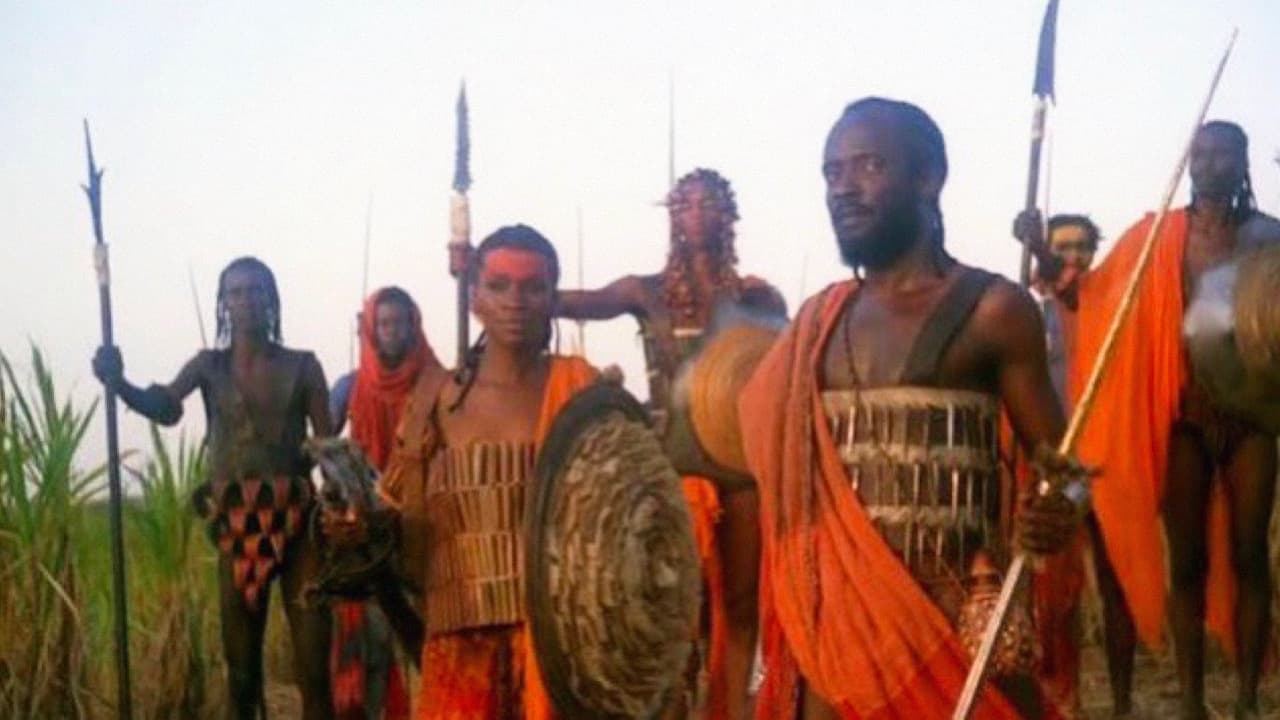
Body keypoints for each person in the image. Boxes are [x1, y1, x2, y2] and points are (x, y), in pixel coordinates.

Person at [736, 97, 1085, 719]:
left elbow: (1071, 473)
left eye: (868, 166)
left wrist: (1055, 511)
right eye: (832, 172)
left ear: (928, 177)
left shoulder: (993, 310)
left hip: (947, 633)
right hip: (832, 638)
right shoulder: (817, 323)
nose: (843, 188)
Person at [1024, 120, 1280, 719]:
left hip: (1253, 416)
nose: (1211, 163)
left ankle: (1246, 700)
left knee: (1250, 556)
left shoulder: (1269, 237)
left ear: (1243, 161)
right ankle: (1191, 702)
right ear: (1190, 161)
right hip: (1186, 414)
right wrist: (1039, 249)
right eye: (1202, 153)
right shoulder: (1159, 234)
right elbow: (1090, 295)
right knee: (1186, 561)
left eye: (1224, 154)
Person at [333, 225, 599, 718]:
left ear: (552, 298)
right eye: (499, 286)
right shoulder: (433, 402)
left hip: (563, 648)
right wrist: (355, 528)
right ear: (475, 298)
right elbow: (397, 516)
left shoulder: (581, 393)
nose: (515, 301)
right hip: (459, 651)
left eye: (533, 287)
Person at [557, 168, 785, 718]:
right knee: (673, 605)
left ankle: (731, 709)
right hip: (671, 467)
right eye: (686, 204)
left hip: (740, 467)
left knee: (740, 602)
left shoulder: (756, 297)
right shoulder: (647, 292)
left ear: (728, 214)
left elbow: (783, 371)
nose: (697, 214)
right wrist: (478, 273)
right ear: (673, 216)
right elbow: (574, 302)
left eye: (708, 204)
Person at [93, 256, 334, 719]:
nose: (246, 301)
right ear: (223, 303)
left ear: (271, 299)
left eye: (256, 290)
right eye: (236, 292)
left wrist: (345, 503)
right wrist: (119, 382)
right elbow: (166, 408)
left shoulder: (303, 366)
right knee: (241, 675)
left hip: (299, 522)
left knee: (314, 670)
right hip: (237, 524)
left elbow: (326, 447)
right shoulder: (209, 366)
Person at [329, 286, 443, 719]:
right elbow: (323, 442)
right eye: (384, 323)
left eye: (399, 323)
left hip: (429, 528)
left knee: (431, 641)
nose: (392, 331)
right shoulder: (350, 387)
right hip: (371, 533)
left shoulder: (439, 384)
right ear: (372, 330)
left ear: (414, 326)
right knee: (373, 646)